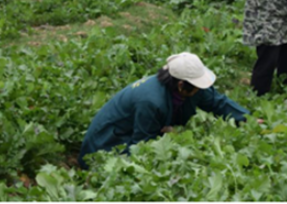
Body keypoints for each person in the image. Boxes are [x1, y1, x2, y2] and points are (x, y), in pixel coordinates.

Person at [78, 52, 250, 169]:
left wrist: (247, 119)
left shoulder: (189, 86)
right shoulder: (150, 101)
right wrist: (173, 137)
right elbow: (141, 146)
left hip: (135, 132)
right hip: (109, 142)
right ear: (181, 86)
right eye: (197, 86)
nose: (201, 89)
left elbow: (216, 102)